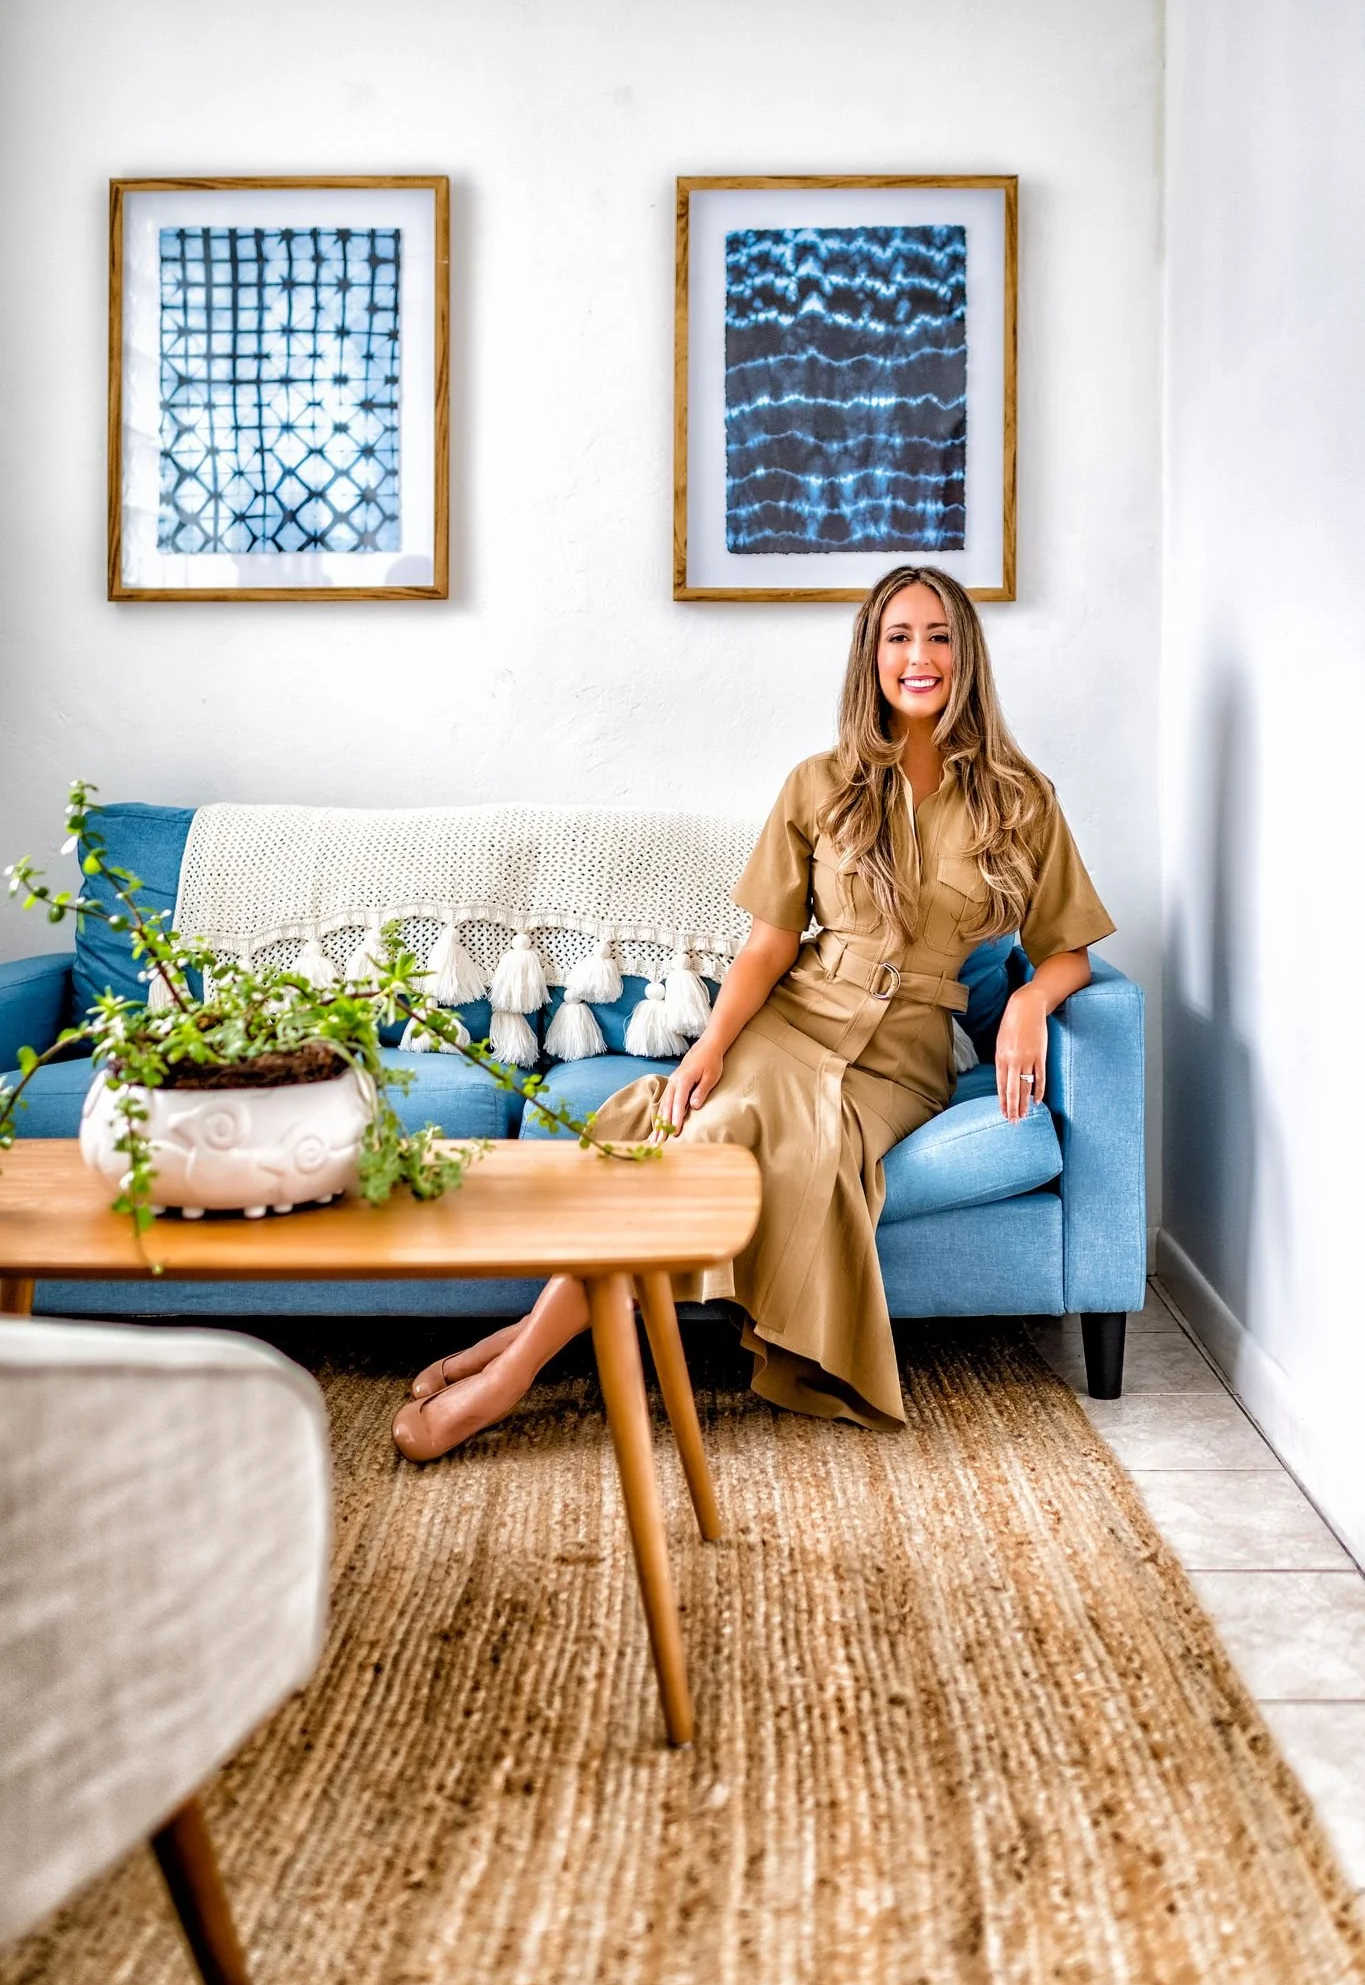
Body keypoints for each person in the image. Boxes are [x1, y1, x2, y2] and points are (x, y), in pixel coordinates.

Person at [392, 565, 1114, 1460]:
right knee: (702, 1138)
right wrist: (709, 1048)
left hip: (901, 1061)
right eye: (897, 636)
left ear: (966, 655)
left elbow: (1069, 949)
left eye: (938, 636)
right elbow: (769, 947)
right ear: (871, 656)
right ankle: (510, 1373)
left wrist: (1031, 1001)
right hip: (793, 1018)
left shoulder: (1020, 797)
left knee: (733, 1148)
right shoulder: (819, 783)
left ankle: (511, 1356)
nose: (918, 656)